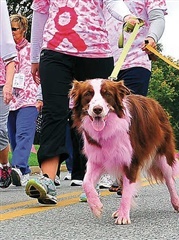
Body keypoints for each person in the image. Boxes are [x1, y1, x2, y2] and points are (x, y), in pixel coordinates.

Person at [24, 0, 140, 205]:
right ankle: (48, 179)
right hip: (54, 52)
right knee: (54, 112)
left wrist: (127, 17)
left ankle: (92, 180)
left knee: (98, 115)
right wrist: (35, 58)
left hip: (96, 53)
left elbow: (113, 2)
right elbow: (40, 14)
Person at [102, 0, 168, 197]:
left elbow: (157, 18)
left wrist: (152, 37)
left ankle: (126, 175)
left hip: (136, 60)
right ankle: (107, 170)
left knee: (128, 119)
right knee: (103, 118)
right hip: (103, 59)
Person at [7, 14, 40, 187]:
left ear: (24, 30)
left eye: (14, 29)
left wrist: (41, 96)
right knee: (11, 137)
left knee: (24, 134)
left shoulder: (32, 49)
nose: (11, 32)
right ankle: (24, 171)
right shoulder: (5, 50)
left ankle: (18, 167)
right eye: (9, 29)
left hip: (29, 98)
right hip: (9, 99)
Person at [0, 0, 17, 189]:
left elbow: (11, 60)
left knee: (0, 130)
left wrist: (8, 85)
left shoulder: (2, 30)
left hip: (0, 84)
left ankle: (4, 165)